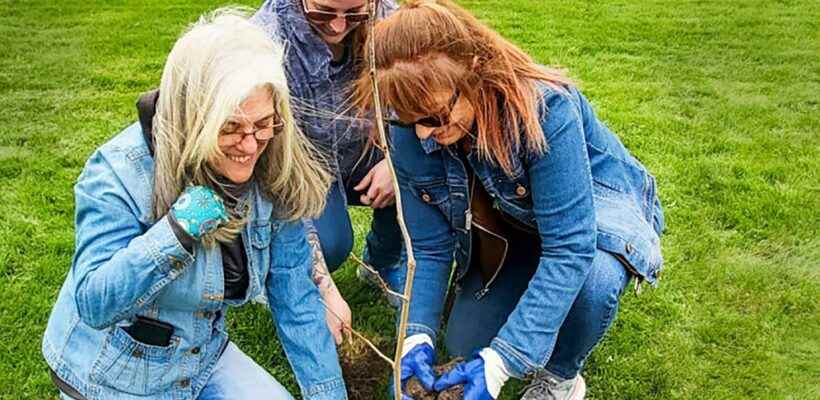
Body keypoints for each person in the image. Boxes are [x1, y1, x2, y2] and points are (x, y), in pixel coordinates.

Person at [353, 1, 666, 399]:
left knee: (594, 279)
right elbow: (429, 249)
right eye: (405, 119)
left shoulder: (546, 109)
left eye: (433, 118)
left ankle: (560, 376)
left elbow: (569, 247)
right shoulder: (415, 122)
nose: (420, 135)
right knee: (465, 343)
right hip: (510, 228)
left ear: (475, 71)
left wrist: (501, 363)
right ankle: (527, 297)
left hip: (594, 215)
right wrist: (415, 337)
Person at [41, 10, 346, 400]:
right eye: (230, 128)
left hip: (199, 359)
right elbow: (96, 303)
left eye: (263, 124)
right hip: (112, 374)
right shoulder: (120, 171)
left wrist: (328, 395)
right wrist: (177, 231)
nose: (251, 145)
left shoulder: (272, 165)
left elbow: (296, 297)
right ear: (193, 117)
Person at [252, 0, 406, 297]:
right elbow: (270, 163)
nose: (337, 26)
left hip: (366, 149)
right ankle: (280, 274)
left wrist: (396, 163)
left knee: (422, 176)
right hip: (299, 163)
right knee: (329, 244)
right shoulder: (265, 39)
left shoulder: (391, 18)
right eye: (323, 12)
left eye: (354, 13)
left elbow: (418, 103)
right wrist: (326, 290)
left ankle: (383, 263)